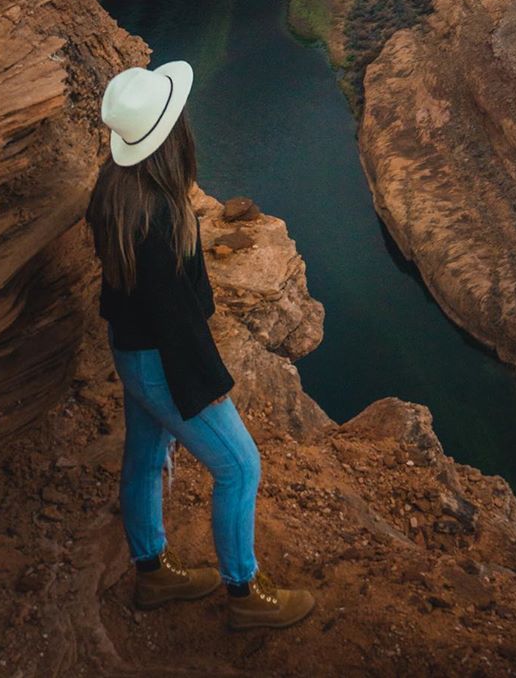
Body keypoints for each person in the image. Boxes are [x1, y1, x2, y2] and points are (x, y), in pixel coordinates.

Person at [88, 60, 314, 630]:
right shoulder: (158, 217)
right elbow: (178, 325)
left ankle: (153, 572)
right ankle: (245, 594)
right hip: (161, 362)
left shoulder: (117, 188)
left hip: (131, 351)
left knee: (144, 458)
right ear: (169, 137)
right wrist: (208, 389)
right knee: (239, 466)